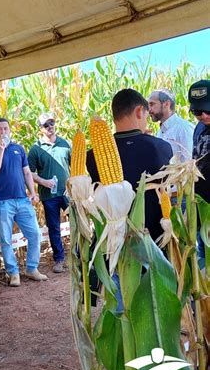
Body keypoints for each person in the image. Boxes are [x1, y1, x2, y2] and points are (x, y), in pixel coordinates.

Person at [87, 89, 173, 241]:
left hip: (112, 241)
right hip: (153, 241)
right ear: (140, 111)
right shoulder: (160, 148)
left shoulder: (91, 156)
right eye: (147, 115)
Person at [0, 118, 48, 287]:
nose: (2, 132)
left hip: (22, 200)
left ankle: (32, 268)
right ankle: (13, 273)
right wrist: (1, 150)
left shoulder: (19, 149)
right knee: (6, 239)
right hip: (2, 202)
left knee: (34, 234)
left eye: (5, 128)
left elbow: (27, 173)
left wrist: (33, 193)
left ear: (10, 130)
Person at [28, 112, 71, 273]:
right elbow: (29, 172)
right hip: (49, 196)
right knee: (54, 228)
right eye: (46, 125)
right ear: (40, 128)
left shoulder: (65, 144)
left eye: (52, 123)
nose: (50, 127)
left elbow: (76, 166)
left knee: (77, 224)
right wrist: (44, 182)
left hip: (67, 193)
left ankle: (80, 255)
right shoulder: (36, 149)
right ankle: (59, 259)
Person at [188, 79, 210, 265]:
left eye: (208, 110)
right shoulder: (199, 129)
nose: (203, 115)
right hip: (201, 207)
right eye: (197, 111)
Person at [148, 88, 194, 162]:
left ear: (167, 104)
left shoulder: (184, 128)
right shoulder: (160, 131)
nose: (149, 109)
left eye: (152, 104)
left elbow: (190, 164)